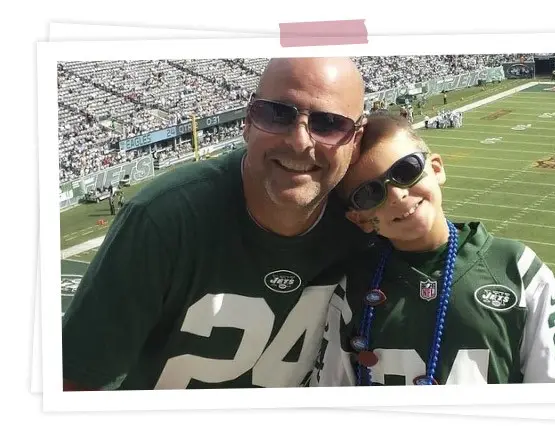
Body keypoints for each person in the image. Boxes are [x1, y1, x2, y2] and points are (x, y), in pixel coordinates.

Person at [61, 57, 369, 391]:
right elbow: (76, 386)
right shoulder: (165, 219)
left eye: (329, 124)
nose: (299, 141)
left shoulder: (364, 221)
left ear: (356, 140)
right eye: (277, 114)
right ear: (248, 120)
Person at [309, 113, 555, 386]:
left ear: (436, 168)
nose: (397, 195)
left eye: (405, 170)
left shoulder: (516, 267)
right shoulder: (350, 287)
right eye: (370, 194)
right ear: (360, 218)